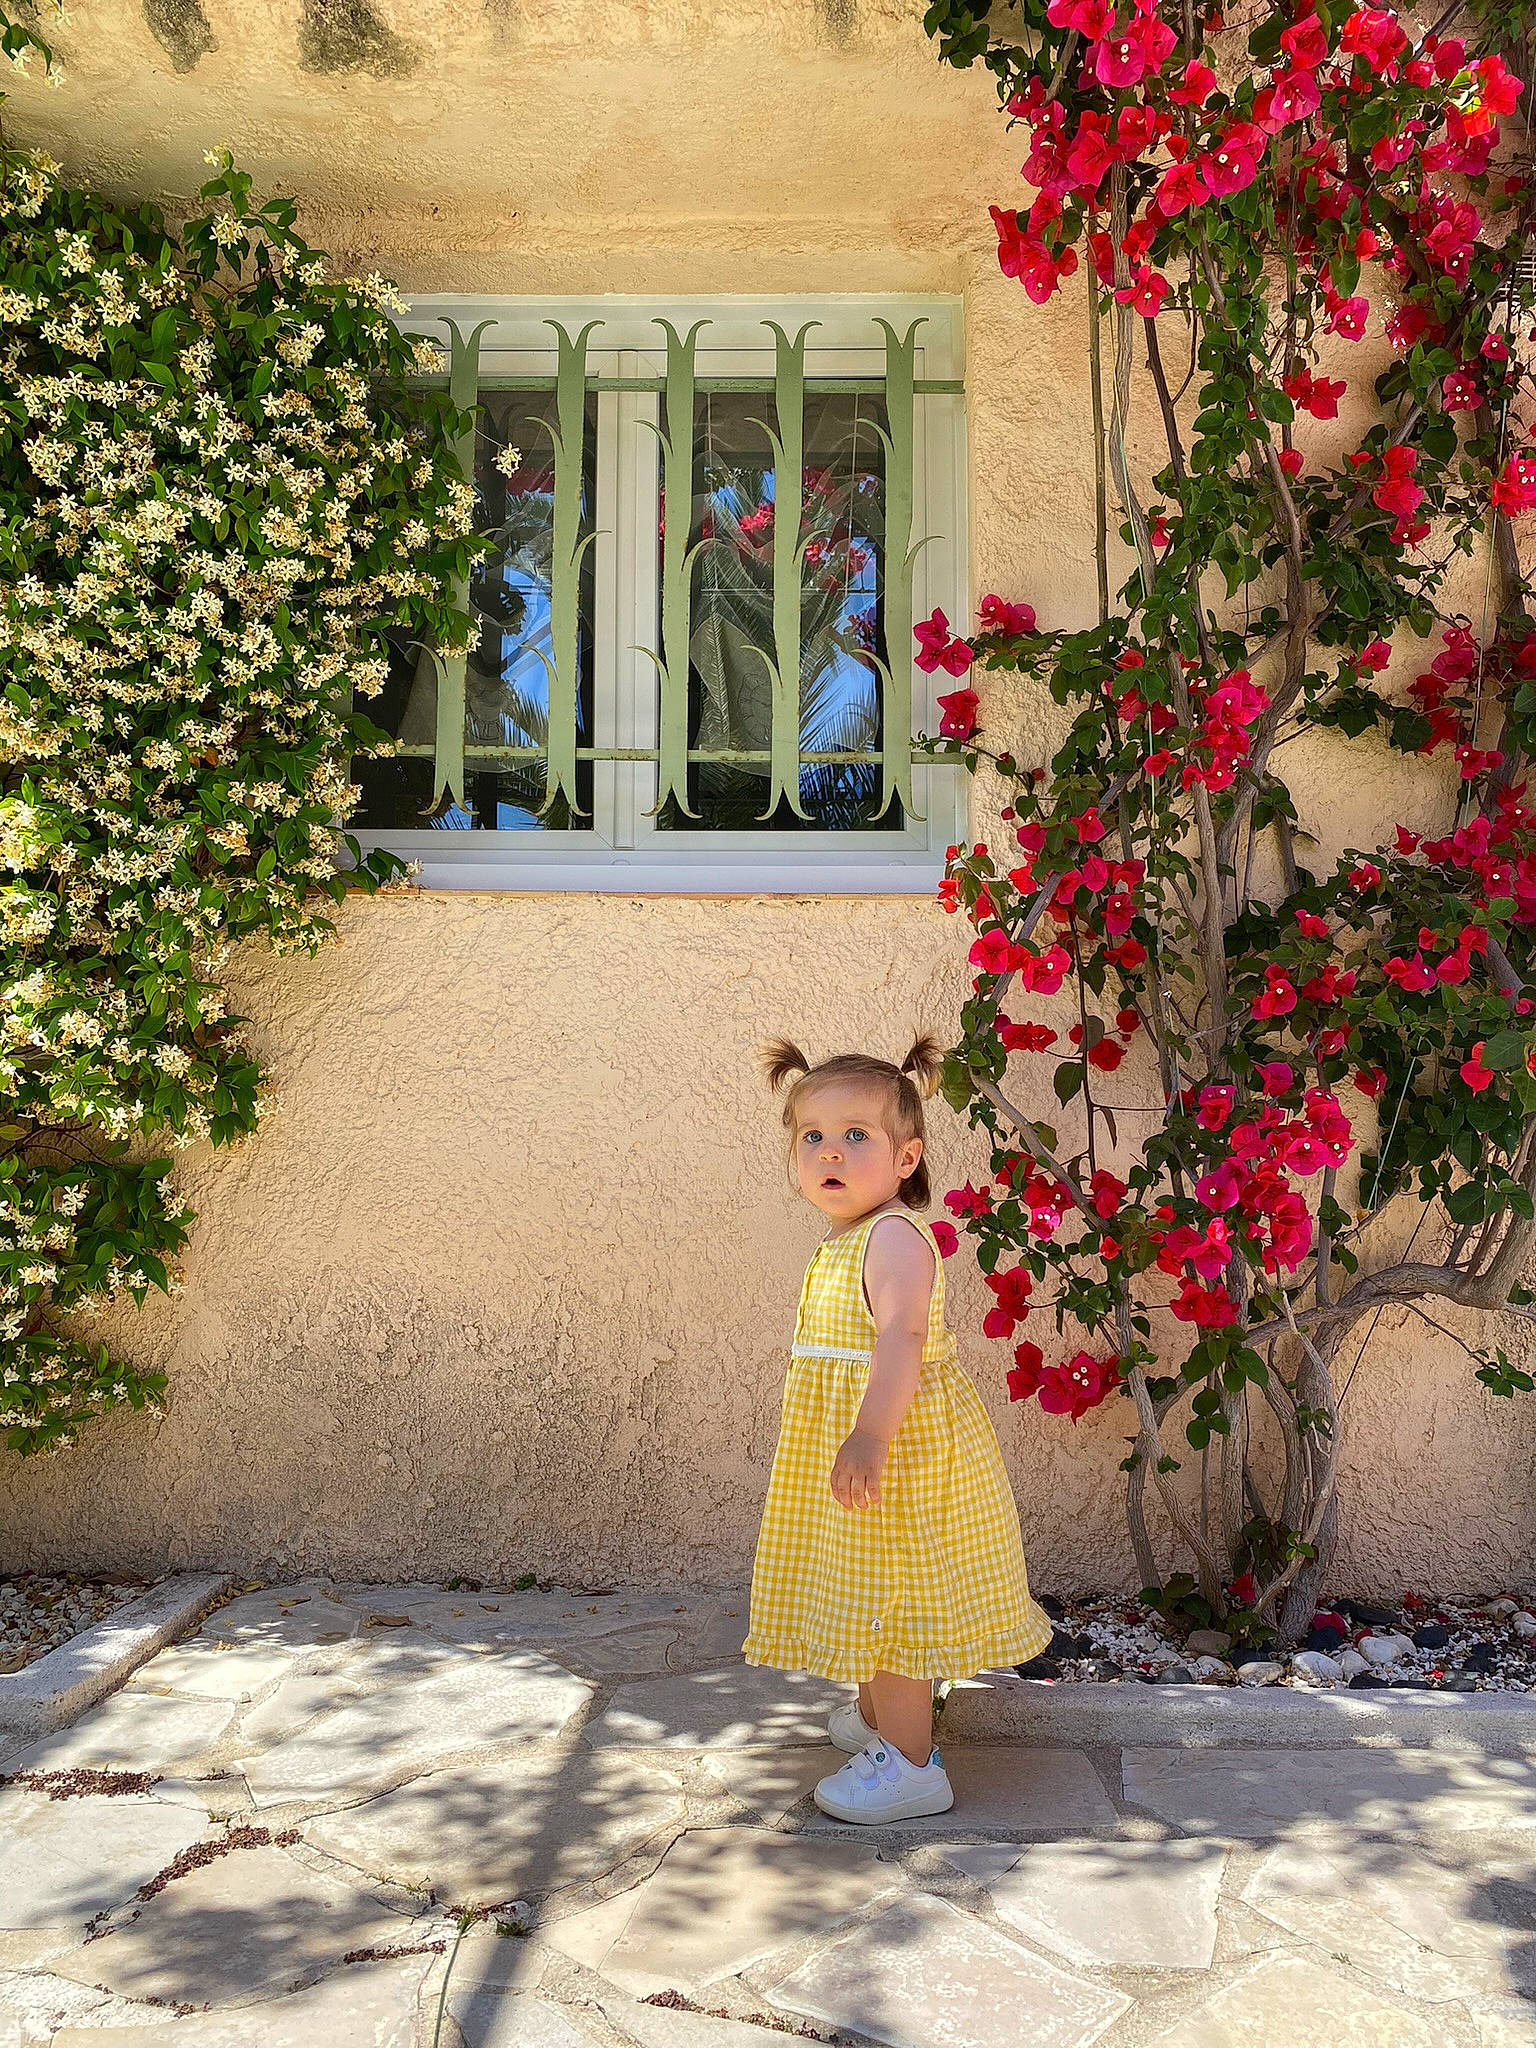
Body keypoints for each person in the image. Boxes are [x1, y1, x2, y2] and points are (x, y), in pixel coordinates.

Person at [743, 1035, 1052, 1823]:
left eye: (856, 1135)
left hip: (902, 1453)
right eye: (812, 1136)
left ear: (906, 1157)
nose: (829, 1151)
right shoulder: (848, 1238)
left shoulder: (892, 1237)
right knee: (864, 1581)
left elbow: (902, 1340)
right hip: (867, 1449)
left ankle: (913, 1764)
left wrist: (870, 1436)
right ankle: (878, 1719)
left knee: (895, 1600)